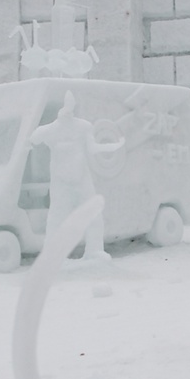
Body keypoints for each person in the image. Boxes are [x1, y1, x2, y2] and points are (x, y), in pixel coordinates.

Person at [28, 92, 123, 260]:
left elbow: (92, 148)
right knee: (57, 217)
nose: (67, 110)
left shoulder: (83, 127)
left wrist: (111, 147)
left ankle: (94, 250)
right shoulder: (52, 129)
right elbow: (34, 138)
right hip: (61, 181)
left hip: (81, 179)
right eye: (65, 106)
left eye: (70, 106)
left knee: (92, 214)